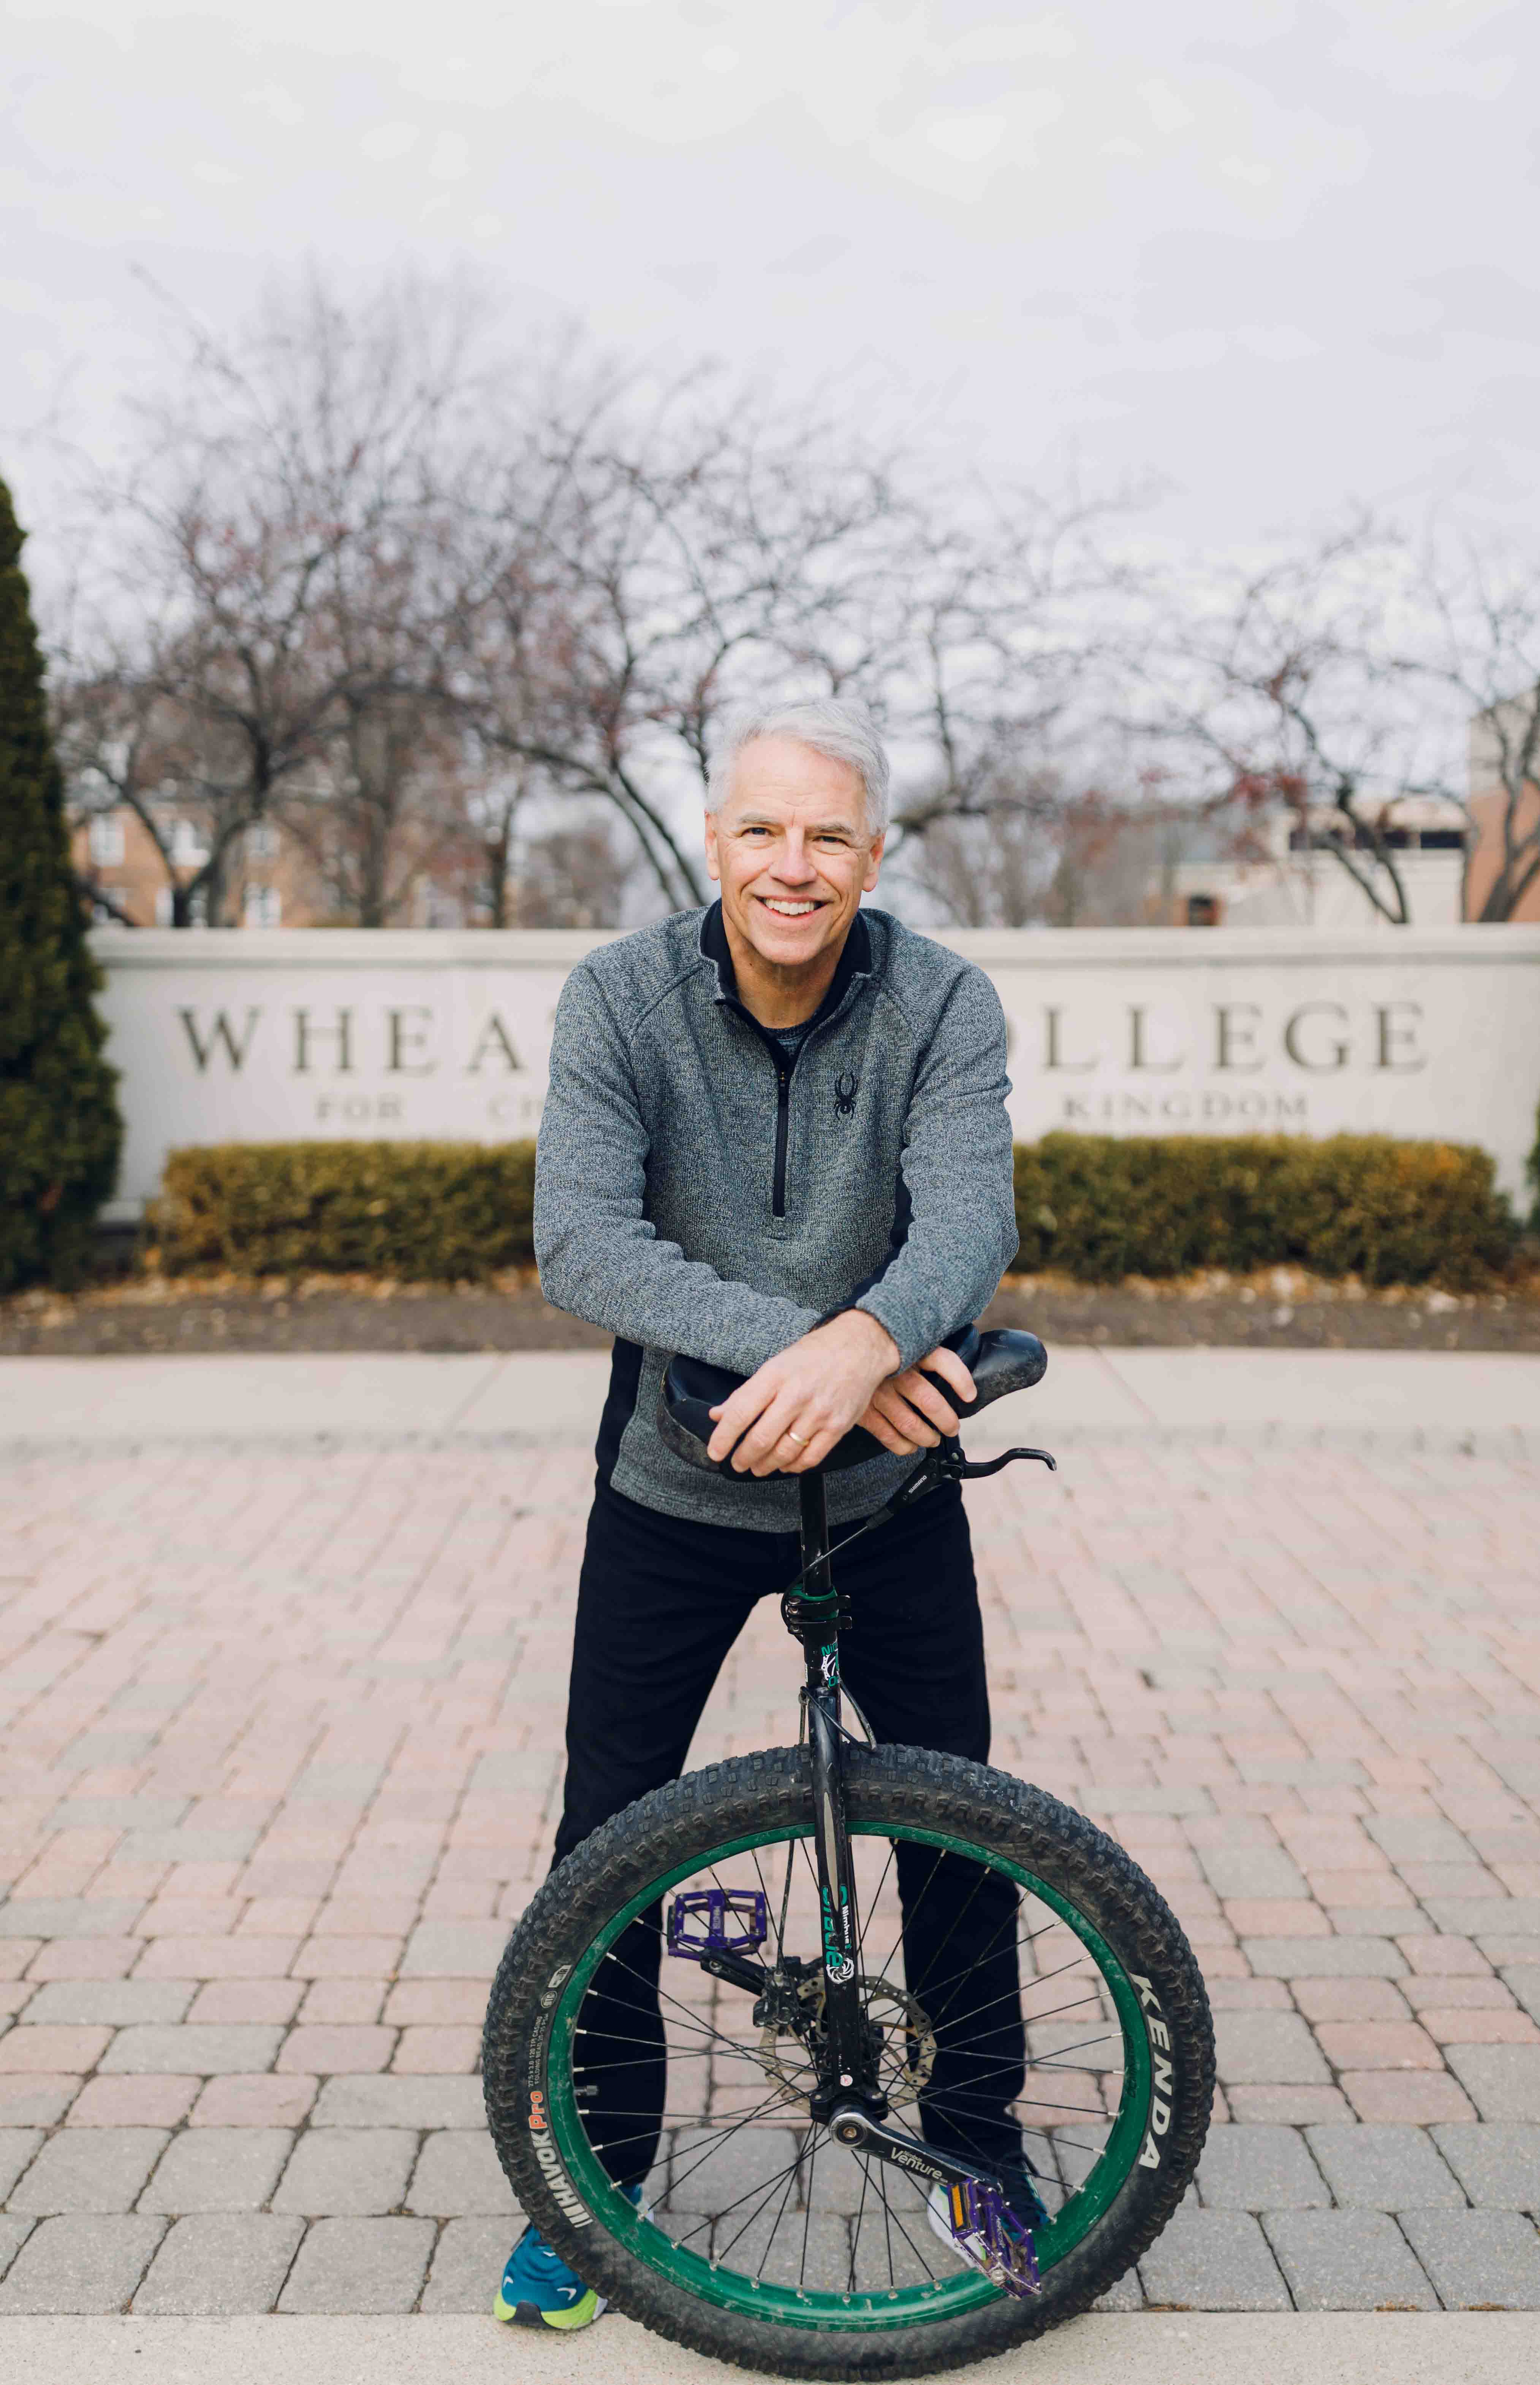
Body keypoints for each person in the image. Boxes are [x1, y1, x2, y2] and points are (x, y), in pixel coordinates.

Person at [495, 697, 1034, 2329]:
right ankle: (596, 2181)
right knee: (611, 1839)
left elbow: (970, 1216)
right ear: (711, 841)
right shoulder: (620, 998)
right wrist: (811, 1352)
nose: (788, 866)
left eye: (825, 837)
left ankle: (980, 2152)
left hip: (882, 1489)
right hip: (670, 1483)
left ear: (870, 857)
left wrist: (872, 1348)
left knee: (958, 1830)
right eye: (759, 830)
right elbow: (579, 1245)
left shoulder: (941, 1003)